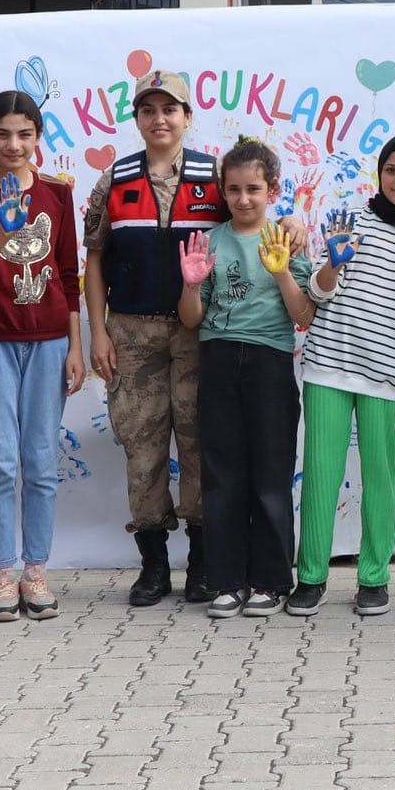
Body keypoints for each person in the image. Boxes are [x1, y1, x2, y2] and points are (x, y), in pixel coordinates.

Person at [84, 70, 221, 608]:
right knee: (141, 448)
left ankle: (204, 563)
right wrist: (97, 331)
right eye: (148, 110)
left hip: (197, 332)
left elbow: (251, 225)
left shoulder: (215, 177)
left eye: (170, 109)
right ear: (137, 118)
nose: (159, 119)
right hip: (132, 332)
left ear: (187, 117)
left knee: (198, 443)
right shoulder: (114, 180)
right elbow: (93, 258)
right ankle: (154, 566)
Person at [295, 135, 395, 617]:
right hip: (327, 369)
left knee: (381, 479)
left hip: (386, 378)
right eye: (391, 170)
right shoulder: (352, 220)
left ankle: (374, 578)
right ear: (379, 174)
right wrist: (332, 269)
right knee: (321, 476)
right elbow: (317, 293)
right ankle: (311, 577)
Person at [0, 91, 84, 621]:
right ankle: (2, 575)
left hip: (50, 340)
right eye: (3, 134)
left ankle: (36, 570)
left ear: (38, 137)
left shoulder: (57, 193)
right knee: (1, 462)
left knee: (39, 462)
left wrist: (77, 345)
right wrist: (3, 233)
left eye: (25, 134)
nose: (14, 144)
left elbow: (68, 270)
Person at [178, 138, 315, 619]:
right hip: (217, 360)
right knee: (222, 475)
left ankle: (272, 580)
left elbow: (304, 316)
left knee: (271, 475)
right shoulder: (211, 241)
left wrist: (281, 274)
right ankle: (226, 581)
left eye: (253, 188)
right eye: (233, 189)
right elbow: (191, 320)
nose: (242, 199)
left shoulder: (286, 238)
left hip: (270, 364)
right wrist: (192, 284)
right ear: (222, 190)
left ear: (272, 189)